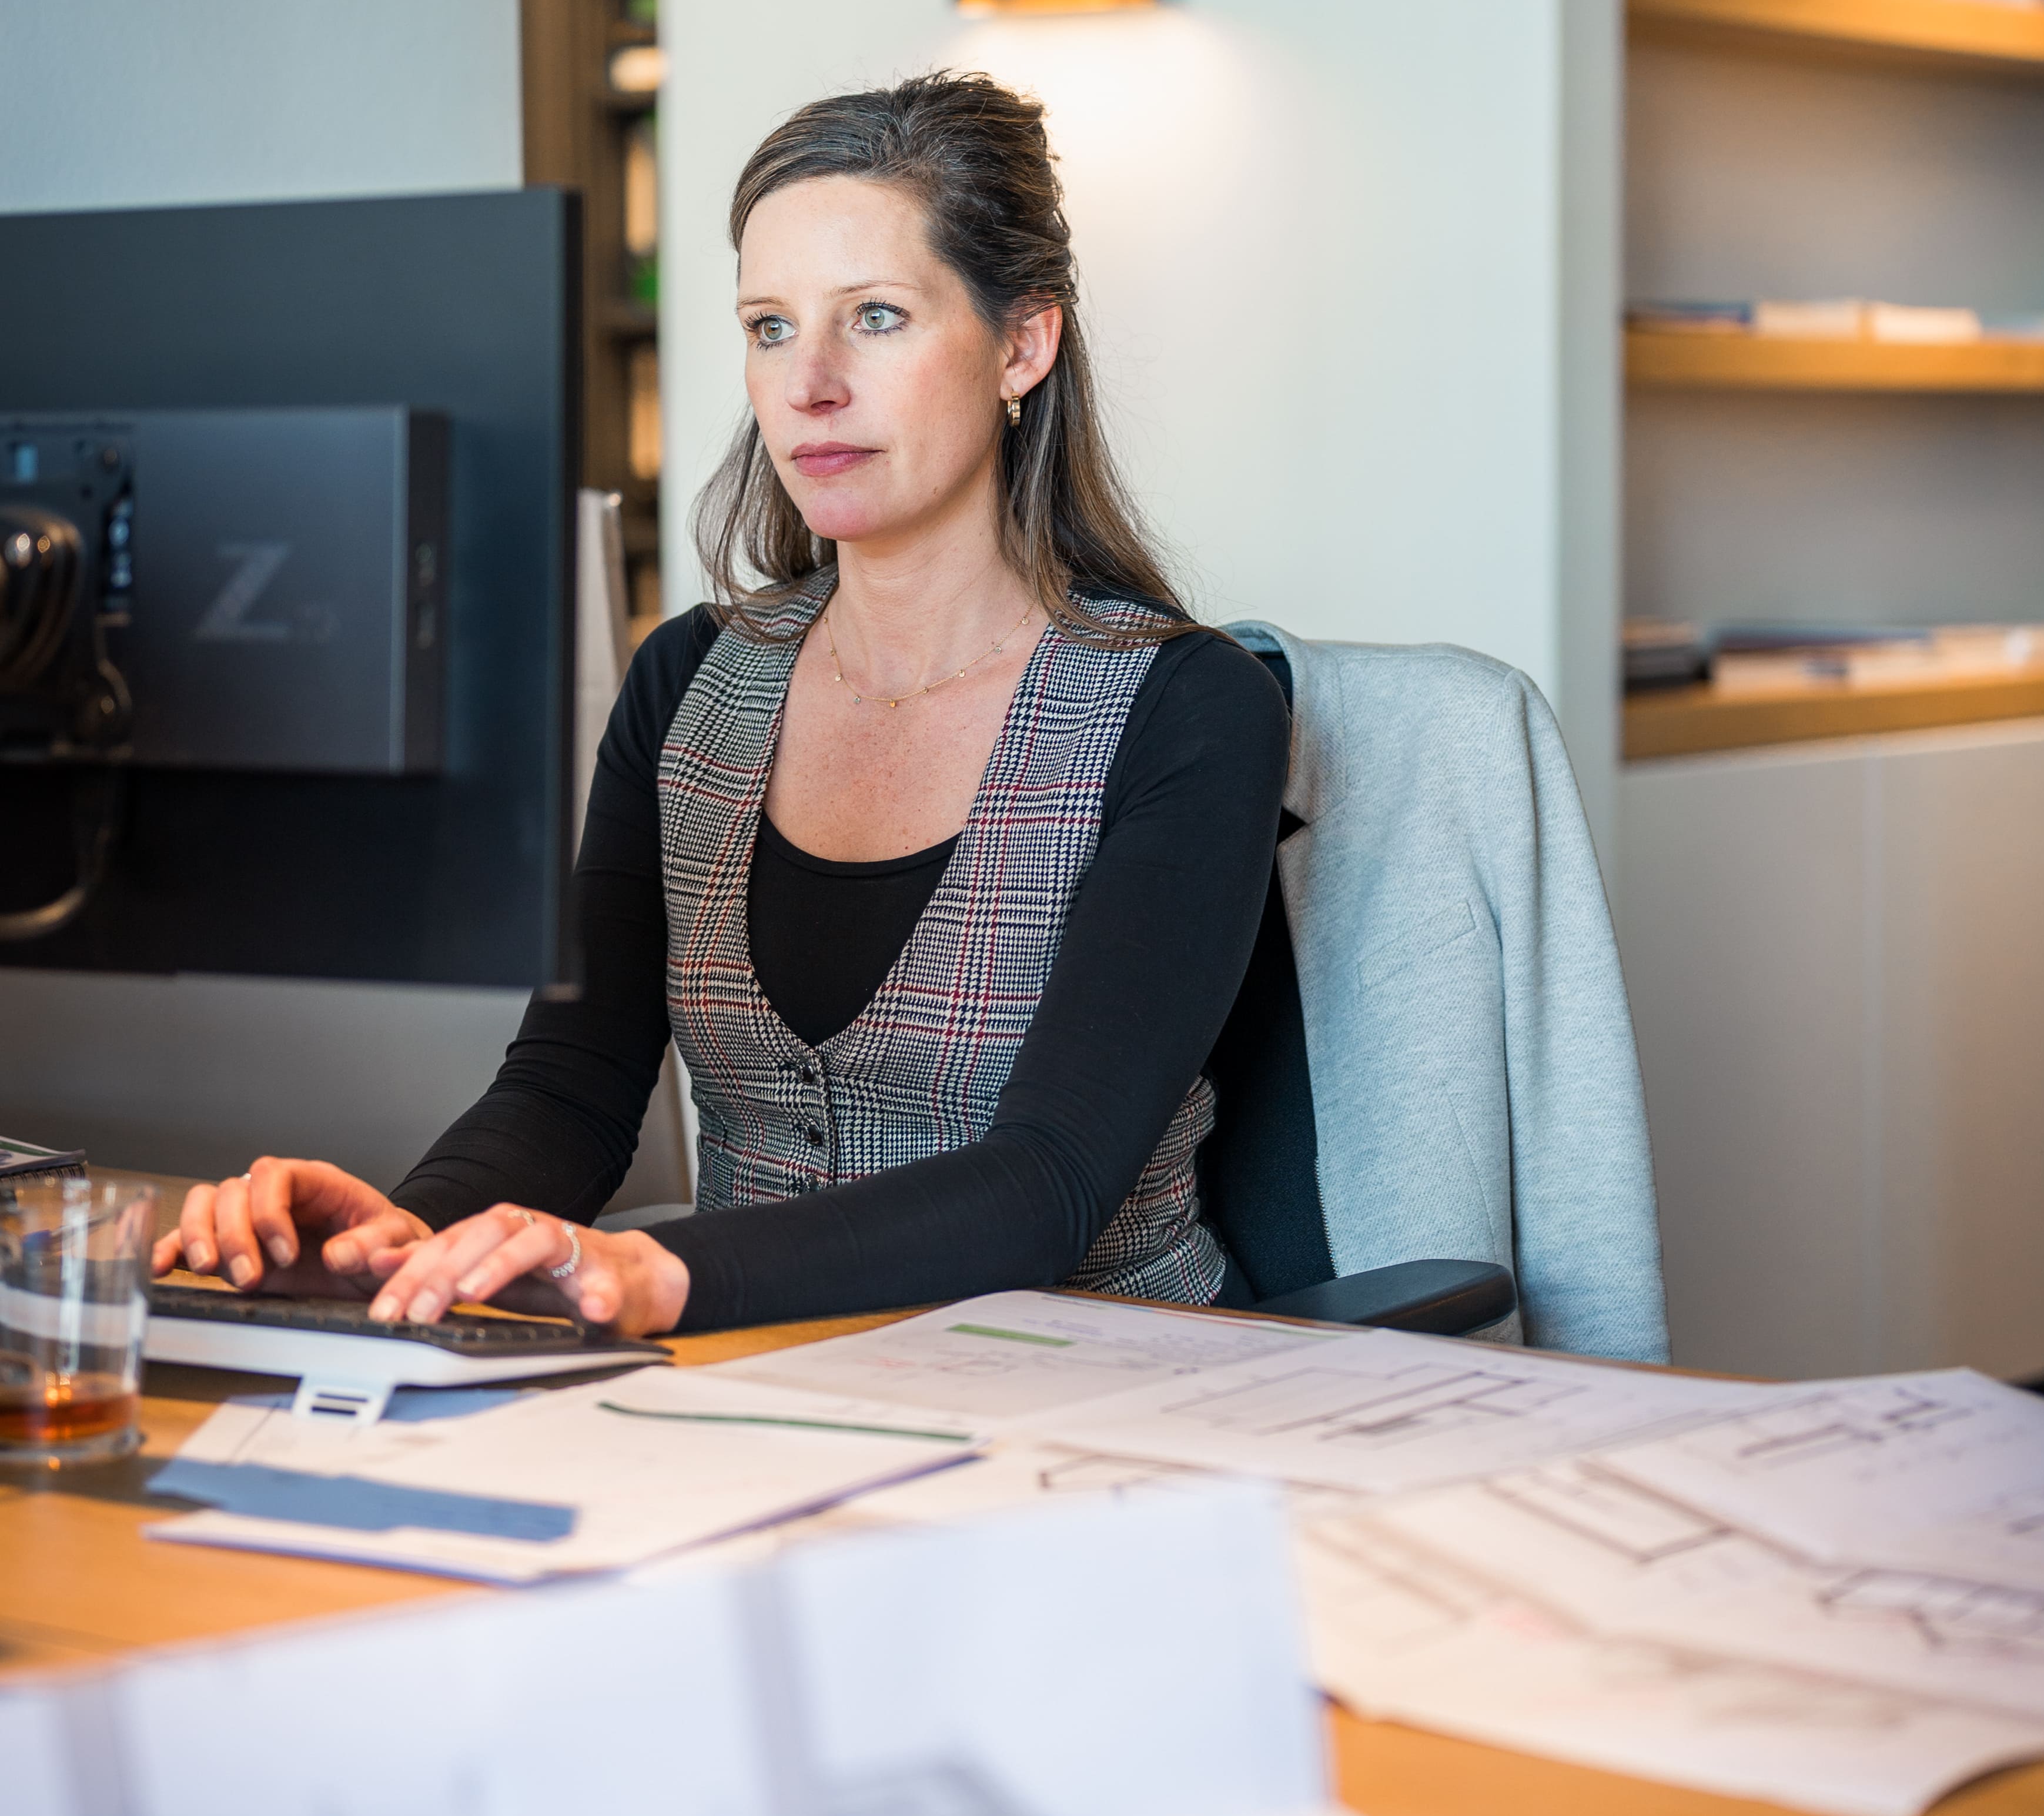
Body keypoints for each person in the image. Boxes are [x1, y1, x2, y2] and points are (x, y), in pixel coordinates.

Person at [154, 72, 1290, 1339]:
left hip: (1105, 1391)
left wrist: (658, 1274)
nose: (807, 382)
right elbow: (572, 1088)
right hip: (754, 1388)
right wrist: (407, 1240)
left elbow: (1048, 1184)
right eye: (767, 326)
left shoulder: (1186, 708)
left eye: (874, 316)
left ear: (1021, 343)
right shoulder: (689, 679)